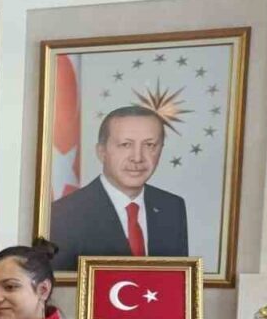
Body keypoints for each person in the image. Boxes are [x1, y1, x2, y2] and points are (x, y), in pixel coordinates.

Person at [49, 105, 188, 271]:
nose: (137, 158)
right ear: (101, 151)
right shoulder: (63, 214)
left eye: (150, 145)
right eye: (125, 144)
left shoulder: (172, 207)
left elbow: (178, 280)